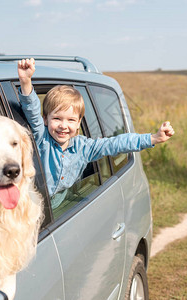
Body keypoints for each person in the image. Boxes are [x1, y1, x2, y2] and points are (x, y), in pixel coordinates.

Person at [17, 58, 175, 208]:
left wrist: (153, 138)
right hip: (29, 203)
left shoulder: (85, 147)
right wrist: (26, 81)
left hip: (57, 206)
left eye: (71, 120)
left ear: (79, 123)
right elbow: (32, 111)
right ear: (45, 119)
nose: (63, 126)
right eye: (57, 118)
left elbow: (116, 144)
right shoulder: (41, 137)